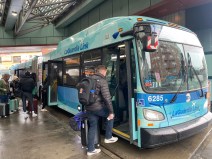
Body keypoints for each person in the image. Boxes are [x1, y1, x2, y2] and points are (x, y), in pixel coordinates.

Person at [86, 65, 118, 156]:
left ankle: (90, 149)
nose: (106, 73)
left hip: (89, 107)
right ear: (103, 71)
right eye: (106, 72)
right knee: (111, 116)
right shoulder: (102, 81)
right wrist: (111, 112)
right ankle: (108, 137)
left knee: (92, 127)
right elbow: (107, 98)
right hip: (97, 107)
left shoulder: (89, 78)